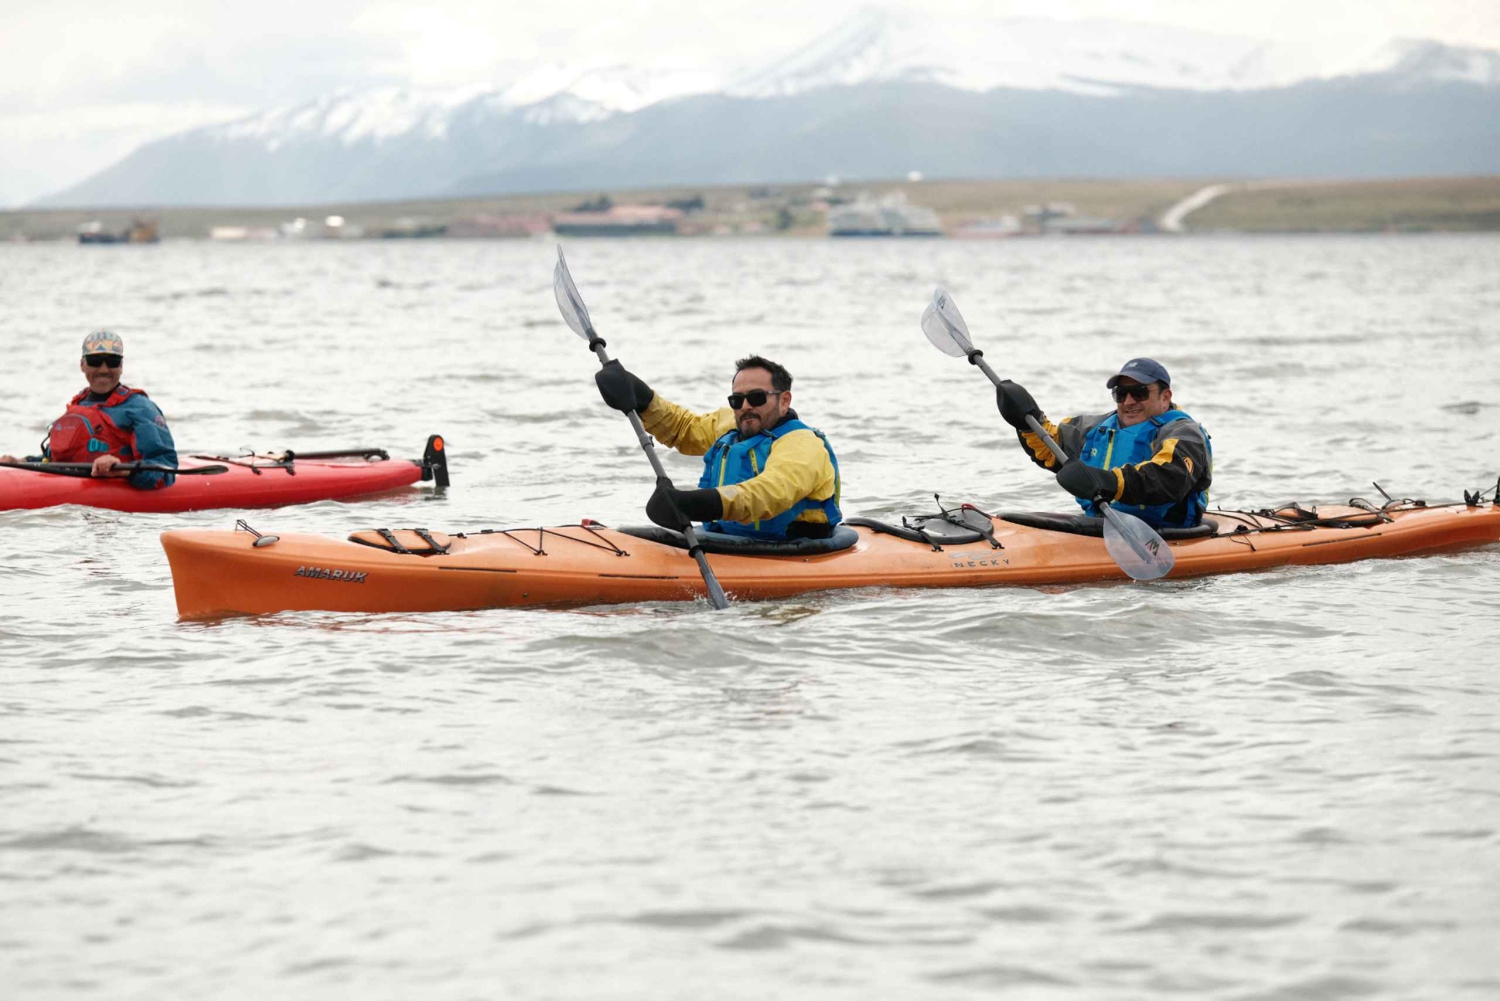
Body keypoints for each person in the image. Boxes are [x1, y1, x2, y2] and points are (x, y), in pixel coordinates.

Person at [594, 354, 842, 540]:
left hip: (795, 547)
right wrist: (643, 399)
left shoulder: (802, 444)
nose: (745, 406)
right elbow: (684, 428)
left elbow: (770, 493)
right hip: (731, 539)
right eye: (737, 399)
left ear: (784, 400)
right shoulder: (732, 425)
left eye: (756, 397)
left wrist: (694, 504)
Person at [996, 357, 1211, 528]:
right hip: (1101, 526)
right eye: (1121, 394)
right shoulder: (1094, 428)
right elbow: (1052, 449)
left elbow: (1167, 478)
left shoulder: (1185, 434)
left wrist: (1106, 482)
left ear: (1165, 397)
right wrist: (1028, 422)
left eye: (1139, 393)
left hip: (1166, 531)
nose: (1128, 401)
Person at [0, 331, 177, 489]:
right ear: (82, 365)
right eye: (95, 361)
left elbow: (165, 467)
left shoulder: (141, 408)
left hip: (116, 498)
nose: (104, 369)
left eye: (112, 361)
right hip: (72, 491)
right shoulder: (79, 405)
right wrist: (21, 462)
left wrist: (123, 470)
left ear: (121, 366)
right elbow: (56, 460)